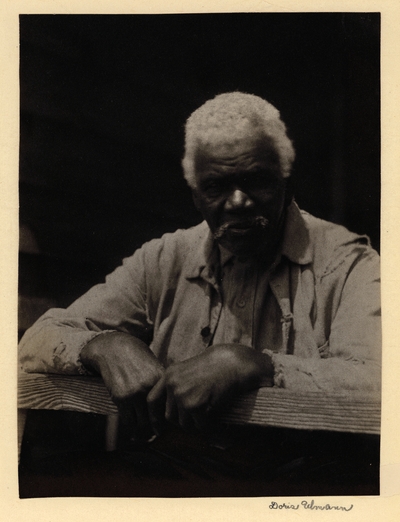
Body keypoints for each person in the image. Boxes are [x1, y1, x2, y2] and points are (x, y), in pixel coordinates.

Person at [19, 92, 381, 439]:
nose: (238, 201)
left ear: (287, 183)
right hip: (183, 476)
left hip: (298, 485)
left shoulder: (348, 263)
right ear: (195, 195)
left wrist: (256, 366)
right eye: (216, 186)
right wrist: (103, 345)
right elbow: (38, 339)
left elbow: (382, 379)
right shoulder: (164, 259)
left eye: (255, 181)